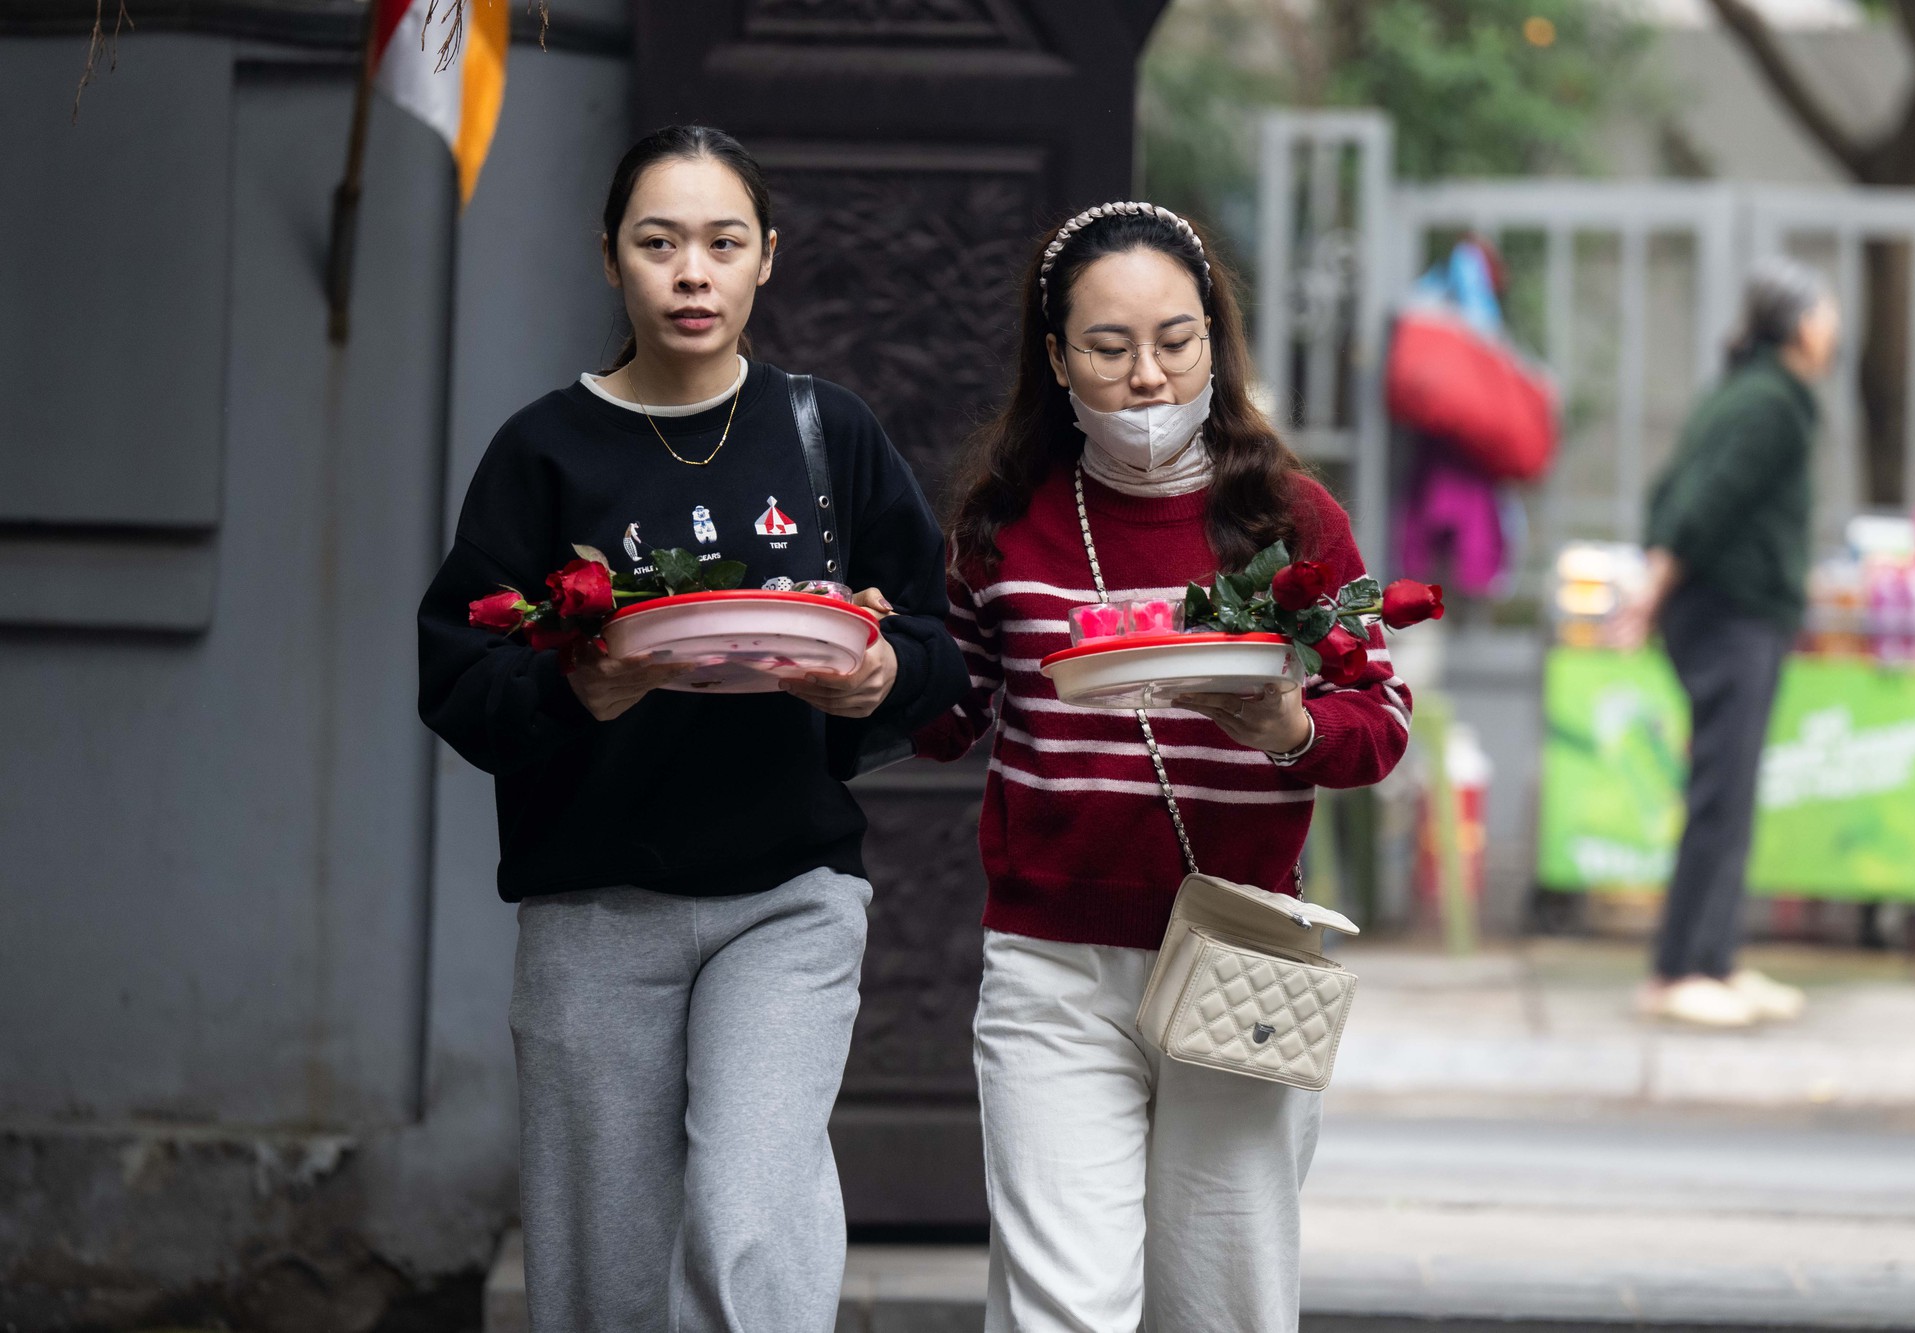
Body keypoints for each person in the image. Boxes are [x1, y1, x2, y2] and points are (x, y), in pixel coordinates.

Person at [415, 125, 967, 1332]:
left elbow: (937, 645)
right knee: (601, 1271)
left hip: (787, 893)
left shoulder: (829, 435)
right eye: (657, 243)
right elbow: (456, 675)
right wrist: (576, 688)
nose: (691, 273)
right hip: (593, 904)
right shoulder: (543, 450)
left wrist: (875, 675)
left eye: (721, 243)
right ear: (608, 258)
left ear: (766, 258)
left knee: (748, 1217)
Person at [916, 201, 1414, 1333]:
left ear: (1212, 341)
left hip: (1239, 953)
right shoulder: (1004, 524)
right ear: (1054, 359)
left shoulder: (1289, 519)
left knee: (1223, 1306)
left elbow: (1376, 723)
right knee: (1062, 1308)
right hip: (1051, 964)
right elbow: (953, 711)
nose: (1146, 375)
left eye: (1174, 341)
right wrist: (862, 674)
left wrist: (1287, 726)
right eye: (1107, 347)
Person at [1614, 256, 1840, 1029]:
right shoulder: (1772, 401)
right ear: (1803, 324)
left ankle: (1715, 959)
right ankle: (1677, 970)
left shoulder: (1749, 394)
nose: (1835, 328)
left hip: (1733, 613)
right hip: (1728, 614)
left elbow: (1670, 492)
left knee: (1734, 788)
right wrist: (1651, 588)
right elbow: (1699, 503)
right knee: (1721, 789)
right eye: (1828, 312)